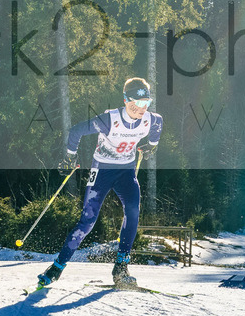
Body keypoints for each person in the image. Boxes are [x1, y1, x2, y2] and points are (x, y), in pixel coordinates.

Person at [38, 77, 162, 288]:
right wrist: (70, 157)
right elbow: (76, 131)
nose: (142, 108)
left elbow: (156, 130)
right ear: (126, 100)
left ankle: (121, 266)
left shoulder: (152, 120)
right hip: (102, 170)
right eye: (137, 103)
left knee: (133, 210)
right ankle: (57, 266)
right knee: (88, 220)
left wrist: (151, 146)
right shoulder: (109, 120)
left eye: (146, 103)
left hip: (125, 171)